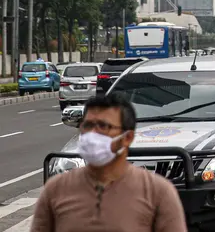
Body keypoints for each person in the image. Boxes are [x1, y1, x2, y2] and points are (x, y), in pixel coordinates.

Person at [31, 94, 187, 232]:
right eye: (88, 125)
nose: (93, 134)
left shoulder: (157, 192)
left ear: (127, 137)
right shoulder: (56, 190)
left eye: (104, 126)